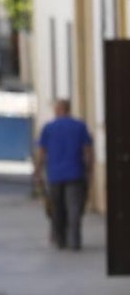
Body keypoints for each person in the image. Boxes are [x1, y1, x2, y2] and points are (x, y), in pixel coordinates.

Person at [34, 98, 93, 251]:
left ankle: (60, 240)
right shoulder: (80, 126)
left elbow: (41, 152)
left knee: (57, 208)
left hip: (55, 175)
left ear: (59, 110)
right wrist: (89, 170)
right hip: (75, 173)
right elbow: (87, 151)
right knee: (74, 208)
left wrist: (38, 171)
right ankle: (75, 241)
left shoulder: (48, 128)